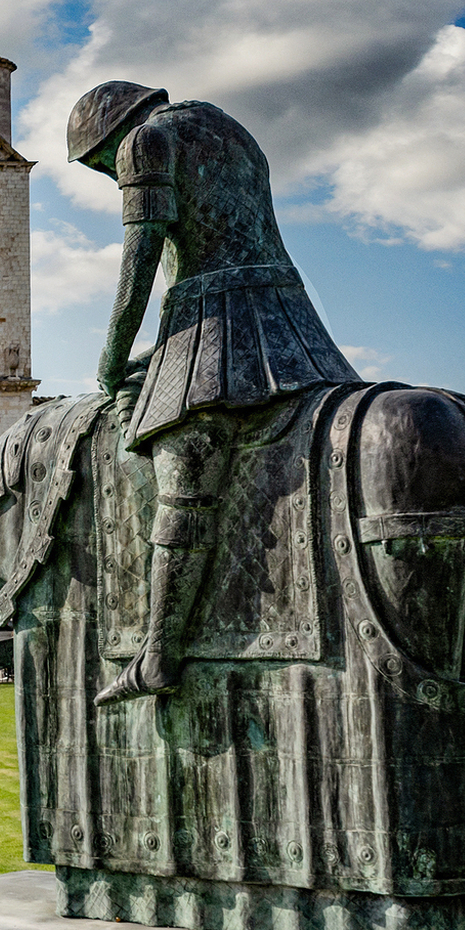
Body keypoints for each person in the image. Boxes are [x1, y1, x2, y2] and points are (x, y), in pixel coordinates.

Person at [67, 81, 359, 706]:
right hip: (284, 315)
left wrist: (112, 359)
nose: (105, 175)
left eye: (98, 164)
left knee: (184, 469)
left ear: (110, 135)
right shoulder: (228, 128)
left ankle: (157, 654)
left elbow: (139, 264)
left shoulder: (145, 142)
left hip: (221, 320)